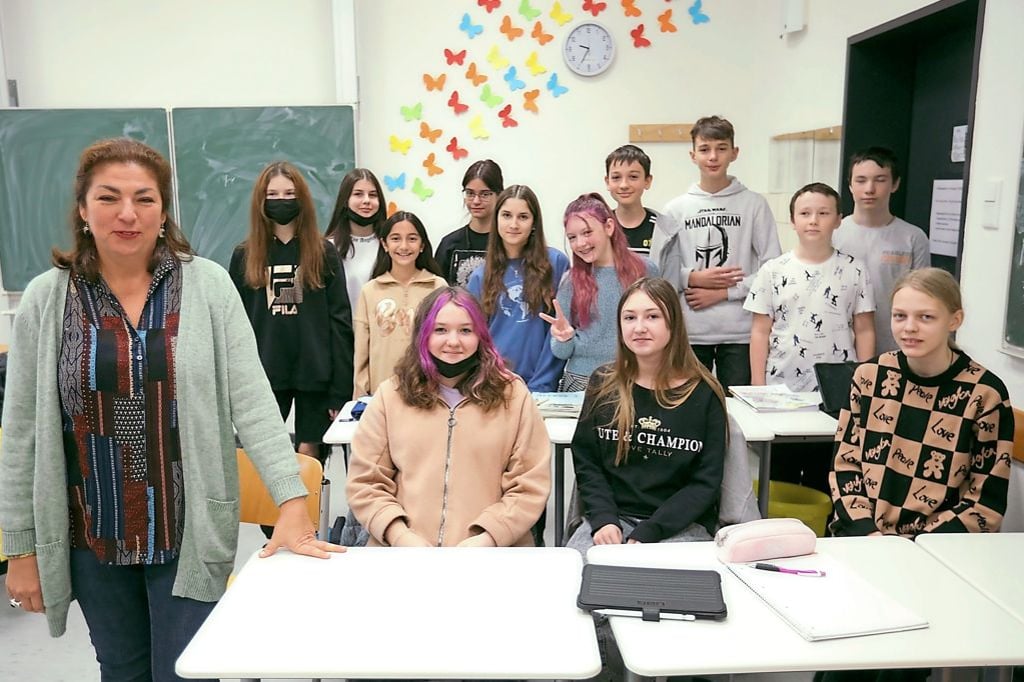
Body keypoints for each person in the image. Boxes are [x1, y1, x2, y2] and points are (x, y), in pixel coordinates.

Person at [0, 138, 342, 682]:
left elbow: (252, 401)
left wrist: (292, 504)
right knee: (123, 670)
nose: (128, 214)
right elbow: (21, 434)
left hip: (187, 528)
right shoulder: (48, 298)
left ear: (163, 212)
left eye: (145, 199)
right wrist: (20, 550)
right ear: (84, 211)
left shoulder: (206, 286)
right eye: (109, 198)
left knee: (185, 671)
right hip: (89, 533)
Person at [346, 286, 551, 547]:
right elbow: (366, 482)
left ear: (481, 335)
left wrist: (488, 538)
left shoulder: (513, 395)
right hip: (404, 553)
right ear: (423, 334)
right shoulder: (392, 395)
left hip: (493, 553)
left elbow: (529, 484)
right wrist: (400, 536)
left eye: (465, 330)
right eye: (440, 330)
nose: (453, 341)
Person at [829, 267, 1014, 537]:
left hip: (938, 550)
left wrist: (918, 546)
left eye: (926, 317)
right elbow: (845, 465)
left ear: (955, 320)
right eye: (899, 316)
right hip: (864, 539)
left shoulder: (985, 394)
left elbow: (985, 503)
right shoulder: (869, 376)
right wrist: (868, 533)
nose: (910, 327)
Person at [567, 277, 728, 552]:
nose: (639, 328)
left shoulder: (704, 393)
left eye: (652, 316)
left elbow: (705, 483)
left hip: (679, 524)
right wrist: (604, 519)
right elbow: (587, 463)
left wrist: (652, 530)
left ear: (673, 324)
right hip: (611, 521)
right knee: (578, 581)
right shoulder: (603, 383)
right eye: (629, 317)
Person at [230, 161, 354, 460]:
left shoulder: (324, 252)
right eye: (273, 194)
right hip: (265, 375)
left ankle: (309, 510)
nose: (282, 200)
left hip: (316, 375)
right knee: (263, 460)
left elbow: (340, 323)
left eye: (289, 193)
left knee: (308, 458)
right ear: (261, 200)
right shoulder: (244, 255)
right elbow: (233, 327)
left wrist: (340, 392)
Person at [650, 115, 782, 390]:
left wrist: (724, 292)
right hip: (689, 333)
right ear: (692, 155)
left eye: (721, 148)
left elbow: (772, 269)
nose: (713, 156)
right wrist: (693, 278)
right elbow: (659, 270)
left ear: (734, 153)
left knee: (739, 414)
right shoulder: (675, 209)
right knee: (691, 412)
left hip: (741, 334)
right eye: (705, 149)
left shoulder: (754, 204)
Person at [745, 182, 875, 391]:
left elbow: (865, 330)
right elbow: (760, 331)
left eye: (823, 213)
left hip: (839, 383)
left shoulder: (855, 270)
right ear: (793, 221)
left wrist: (866, 382)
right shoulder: (772, 270)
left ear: (838, 220)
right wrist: (758, 384)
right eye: (805, 213)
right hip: (781, 384)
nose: (814, 221)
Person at [542, 193, 656, 392]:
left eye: (587, 232)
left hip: (636, 379)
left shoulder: (645, 270)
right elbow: (561, 352)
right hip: (582, 381)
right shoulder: (571, 281)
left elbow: (663, 325)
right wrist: (563, 338)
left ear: (609, 227)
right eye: (572, 237)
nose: (580, 243)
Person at [466, 184, 569, 392]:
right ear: (496, 220)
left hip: (542, 386)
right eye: (506, 215)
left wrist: (542, 384)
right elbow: (476, 339)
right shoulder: (479, 277)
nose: (513, 224)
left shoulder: (556, 263)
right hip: (493, 385)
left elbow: (558, 330)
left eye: (523, 217)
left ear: (533, 223)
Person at [832, 147, 930, 354]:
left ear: (895, 184)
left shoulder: (913, 237)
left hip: (894, 347)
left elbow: (923, 297)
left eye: (880, 180)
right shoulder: (832, 234)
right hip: (839, 346)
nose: (869, 189)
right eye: (860, 180)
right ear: (850, 185)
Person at [353, 210, 445, 397]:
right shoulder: (370, 290)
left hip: (429, 392)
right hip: (381, 395)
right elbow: (361, 352)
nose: (404, 246)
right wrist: (360, 396)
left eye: (412, 238)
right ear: (384, 244)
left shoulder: (438, 287)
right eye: (395, 238)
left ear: (422, 245)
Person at [324, 168, 388, 309]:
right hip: (342, 329)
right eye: (358, 194)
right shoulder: (328, 248)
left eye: (372, 195)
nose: (366, 200)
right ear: (345, 200)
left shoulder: (389, 245)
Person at [435, 159, 504, 286]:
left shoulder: (508, 242)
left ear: (499, 195)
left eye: (485, 194)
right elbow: (438, 294)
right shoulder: (449, 244)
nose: (476, 201)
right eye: (470, 193)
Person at [604, 144, 660, 257]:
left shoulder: (662, 228)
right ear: (607, 182)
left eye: (633, 177)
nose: (624, 185)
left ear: (647, 181)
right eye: (616, 177)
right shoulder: (600, 225)